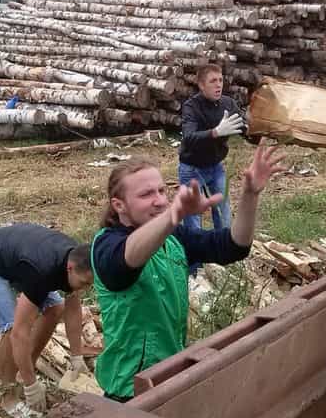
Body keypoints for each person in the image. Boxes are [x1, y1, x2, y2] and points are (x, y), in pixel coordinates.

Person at [92, 144, 285, 401]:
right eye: (146, 194)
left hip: (170, 373)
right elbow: (124, 262)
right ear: (119, 205)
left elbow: (233, 247)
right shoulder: (106, 245)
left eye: (162, 191)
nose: (160, 200)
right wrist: (174, 214)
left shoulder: (173, 238)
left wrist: (250, 195)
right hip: (128, 388)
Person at [0, 223, 97, 415]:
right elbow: (19, 333)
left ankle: (25, 369)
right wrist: (31, 387)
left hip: (19, 260)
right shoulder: (41, 272)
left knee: (55, 307)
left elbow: (72, 307)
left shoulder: (75, 257)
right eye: (84, 283)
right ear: (69, 268)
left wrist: (76, 355)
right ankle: (8, 397)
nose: (85, 288)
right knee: (10, 326)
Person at [178, 64, 245, 235]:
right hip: (192, 169)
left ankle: (224, 252)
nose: (218, 85)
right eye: (213, 81)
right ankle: (195, 260)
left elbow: (244, 126)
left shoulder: (228, 103)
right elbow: (189, 137)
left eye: (221, 80)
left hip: (216, 166)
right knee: (193, 216)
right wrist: (215, 133)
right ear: (201, 85)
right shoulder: (191, 107)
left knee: (223, 211)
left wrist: (263, 131)